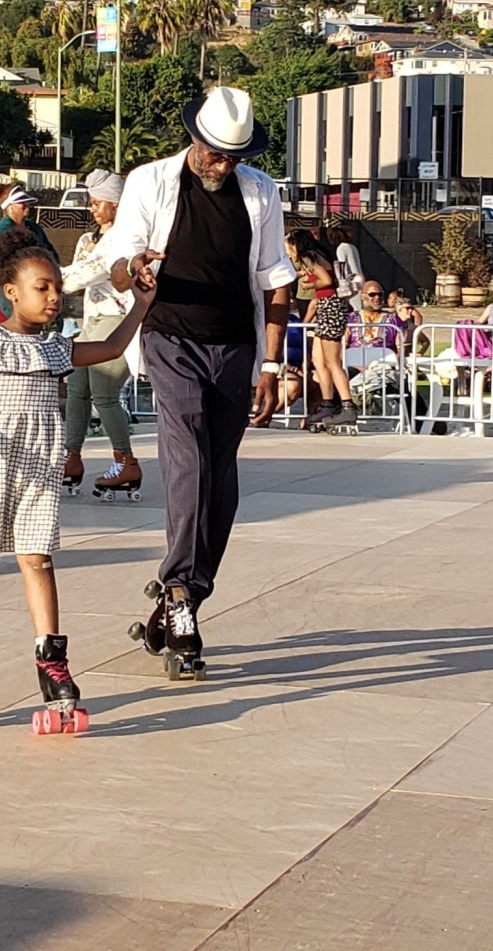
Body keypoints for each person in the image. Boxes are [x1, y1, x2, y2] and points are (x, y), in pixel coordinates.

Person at [0, 226, 154, 731]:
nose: (53, 297)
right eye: (41, 288)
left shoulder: (54, 349)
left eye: (56, 288)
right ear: (11, 291)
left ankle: (52, 663)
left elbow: (112, 346)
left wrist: (141, 304)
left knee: (37, 557)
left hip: (37, 469)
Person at [107, 86, 295, 667]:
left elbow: (276, 280)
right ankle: (181, 593)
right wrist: (135, 267)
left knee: (220, 479)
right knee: (187, 456)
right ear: (195, 139)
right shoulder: (151, 181)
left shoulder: (260, 192)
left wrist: (271, 364)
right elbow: (118, 263)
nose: (224, 166)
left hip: (236, 345)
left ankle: (181, 597)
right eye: (216, 154)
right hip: (169, 337)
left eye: (235, 157)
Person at [60, 168, 141, 498]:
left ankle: (126, 461)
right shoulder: (89, 239)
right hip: (92, 321)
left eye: (97, 203)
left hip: (116, 319)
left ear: (116, 204)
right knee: (77, 390)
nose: (92, 209)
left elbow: (79, 277)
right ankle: (71, 457)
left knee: (104, 395)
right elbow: (78, 276)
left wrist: (42, 279)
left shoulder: (124, 238)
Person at [286, 228, 357, 430]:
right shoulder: (317, 256)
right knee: (318, 360)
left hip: (330, 307)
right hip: (325, 307)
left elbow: (326, 280)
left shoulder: (309, 257)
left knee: (332, 361)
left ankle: (347, 405)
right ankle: (327, 403)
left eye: (289, 247)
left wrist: (309, 285)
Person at [0, 183, 57, 321]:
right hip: (6, 290)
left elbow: (50, 251)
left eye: (26, 201)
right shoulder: (4, 228)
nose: (26, 205)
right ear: (10, 207)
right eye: (21, 202)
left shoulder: (34, 228)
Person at [346, 281, 400, 352]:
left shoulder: (394, 319)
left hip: (385, 357)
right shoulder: (351, 318)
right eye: (372, 294)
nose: (377, 297)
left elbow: (401, 348)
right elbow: (342, 346)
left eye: (380, 294)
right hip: (355, 357)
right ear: (362, 296)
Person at [327, 227, 364, 311]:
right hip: (358, 282)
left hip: (350, 284)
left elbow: (342, 268)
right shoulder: (352, 247)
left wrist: (341, 283)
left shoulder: (341, 248)